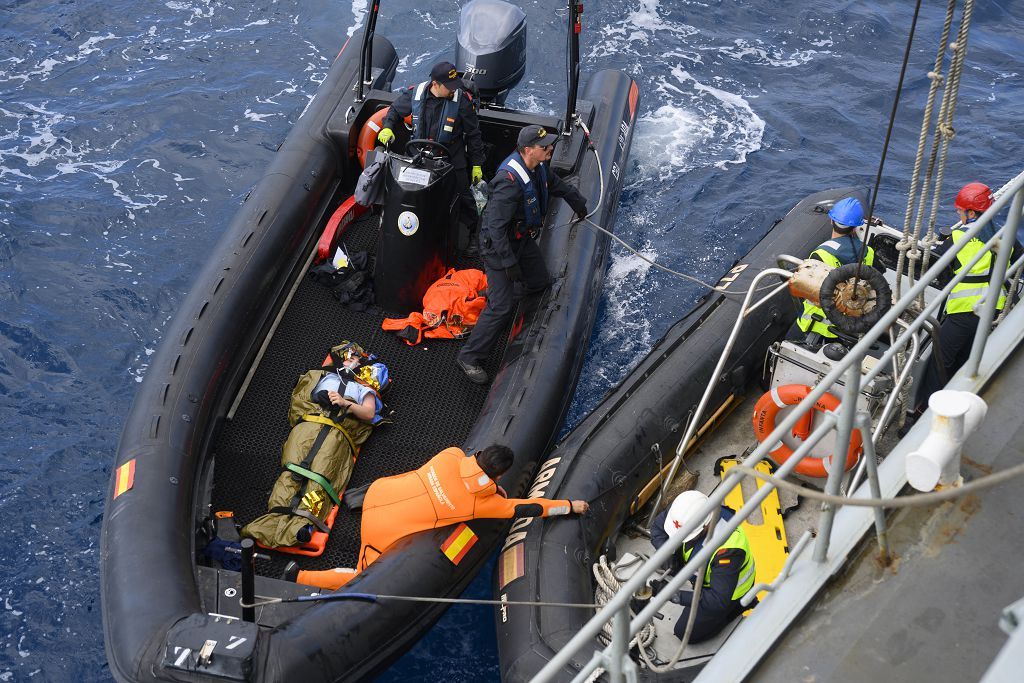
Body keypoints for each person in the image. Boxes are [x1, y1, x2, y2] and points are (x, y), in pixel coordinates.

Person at [285, 444, 588, 590]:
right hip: (382, 531)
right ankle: (298, 577)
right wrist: (571, 506)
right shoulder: (480, 505)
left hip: (379, 493)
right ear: (499, 474)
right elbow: (532, 507)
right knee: (362, 575)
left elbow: (467, 471)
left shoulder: (451, 454)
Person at [455, 124, 589, 383]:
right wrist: (508, 264)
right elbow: (494, 228)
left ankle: (501, 289)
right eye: (544, 146)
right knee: (501, 307)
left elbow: (556, 184)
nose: (550, 148)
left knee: (540, 282)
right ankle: (469, 357)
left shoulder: (537, 168)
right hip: (499, 248)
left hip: (520, 240)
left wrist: (578, 202)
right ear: (528, 150)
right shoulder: (509, 182)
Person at [914, 182, 1020, 414]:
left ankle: (924, 415)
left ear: (972, 213)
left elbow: (934, 267)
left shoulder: (960, 236)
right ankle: (955, 408)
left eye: (960, 211)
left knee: (941, 360)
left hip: (965, 310)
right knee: (966, 361)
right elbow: (1017, 261)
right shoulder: (1005, 234)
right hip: (991, 310)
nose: (958, 215)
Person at [378, 61, 485, 254]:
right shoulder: (415, 94)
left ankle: (473, 235)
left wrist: (477, 164)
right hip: (419, 155)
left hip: (451, 157)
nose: (454, 90)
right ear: (435, 84)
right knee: (403, 192)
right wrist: (387, 127)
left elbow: (473, 134)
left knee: (465, 197)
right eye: (449, 87)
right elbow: (394, 111)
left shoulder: (462, 101)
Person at [650, 490, 756, 643]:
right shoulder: (684, 510)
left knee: (684, 633)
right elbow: (657, 530)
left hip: (727, 593)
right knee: (664, 560)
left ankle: (737, 609)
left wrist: (674, 595)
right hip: (702, 571)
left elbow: (717, 600)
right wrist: (668, 554)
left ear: (706, 525)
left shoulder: (728, 551)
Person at [789, 196, 886, 346]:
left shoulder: (821, 254)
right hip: (852, 326)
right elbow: (880, 274)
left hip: (818, 326)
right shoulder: (869, 252)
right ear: (855, 227)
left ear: (832, 221)